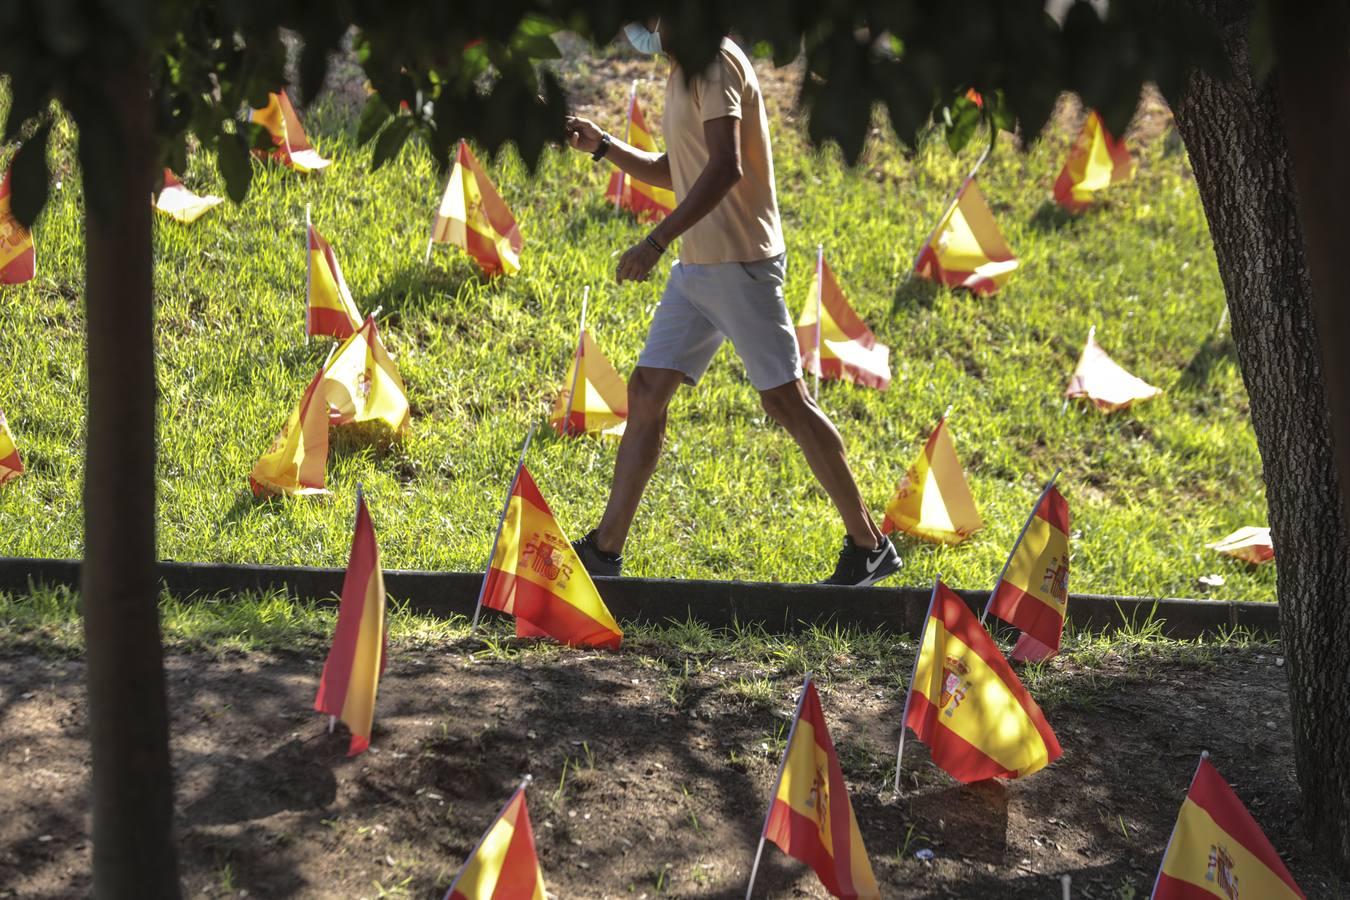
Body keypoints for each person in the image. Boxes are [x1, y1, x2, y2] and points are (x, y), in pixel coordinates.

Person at [562, 21, 901, 587]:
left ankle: (869, 546)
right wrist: (604, 147)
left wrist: (654, 241)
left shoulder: (716, 62)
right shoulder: (680, 72)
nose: (643, 28)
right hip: (698, 268)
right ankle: (604, 551)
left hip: (741, 263)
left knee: (786, 402)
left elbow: (725, 168)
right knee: (646, 391)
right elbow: (680, 169)